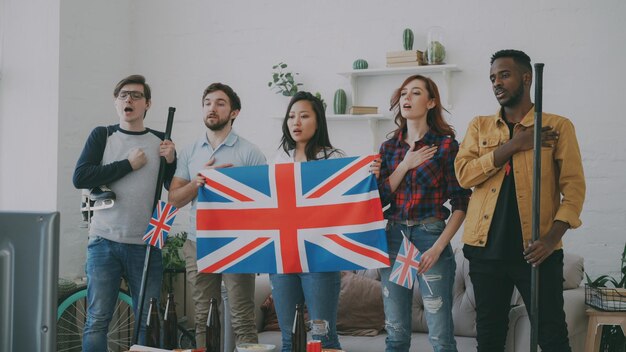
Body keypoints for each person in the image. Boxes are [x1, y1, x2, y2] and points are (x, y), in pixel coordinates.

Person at [454, 49, 586, 351]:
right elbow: (464, 175)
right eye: (492, 78)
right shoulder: (479, 126)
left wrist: (551, 239)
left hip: (537, 250)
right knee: (489, 337)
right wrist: (515, 145)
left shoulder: (557, 126)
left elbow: (574, 190)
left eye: (504, 75)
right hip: (484, 250)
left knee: (552, 335)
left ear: (527, 78)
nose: (496, 83)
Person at [72, 74, 177, 351]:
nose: (128, 99)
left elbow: (173, 189)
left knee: (148, 321)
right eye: (123, 95)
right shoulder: (103, 135)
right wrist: (127, 165)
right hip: (104, 242)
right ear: (116, 102)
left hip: (146, 244)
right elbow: (81, 176)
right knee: (97, 319)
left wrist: (172, 161)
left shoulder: (160, 141)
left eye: (136, 95)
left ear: (148, 104)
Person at [375, 75, 470, 352]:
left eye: (415, 93)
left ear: (431, 102)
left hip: (430, 236)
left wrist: (439, 248)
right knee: (396, 334)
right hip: (394, 237)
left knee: (440, 336)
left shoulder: (446, 146)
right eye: (403, 93)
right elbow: (379, 201)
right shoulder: (389, 148)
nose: (407, 98)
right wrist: (405, 165)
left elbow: (462, 202)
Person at [168, 82, 265, 347]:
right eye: (208, 102)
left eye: (220, 103)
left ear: (234, 112)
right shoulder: (189, 151)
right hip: (198, 243)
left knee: (243, 318)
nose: (212, 108)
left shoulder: (250, 152)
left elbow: (264, 206)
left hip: (238, 244)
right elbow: (174, 200)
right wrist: (197, 181)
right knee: (203, 318)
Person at [270, 91, 343, 352]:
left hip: (320, 260)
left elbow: (343, 207)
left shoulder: (333, 158)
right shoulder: (280, 159)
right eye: (291, 117)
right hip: (284, 258)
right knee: (290, 339)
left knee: (323, 337)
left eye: (303, 116)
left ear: (318, 121)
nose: (296, 122)